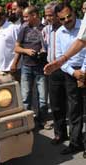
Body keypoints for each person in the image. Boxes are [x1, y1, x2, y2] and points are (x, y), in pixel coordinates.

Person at [53, 2, 86, 156]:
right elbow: (60, 57)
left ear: (74, 13)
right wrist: (74, 73)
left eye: (69, 16)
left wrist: (83, 71)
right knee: (74, 110)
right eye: (62, 19)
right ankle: (75, 143)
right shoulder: (59, 33)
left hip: (84, 69)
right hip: (70, 73)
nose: (67, 20)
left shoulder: (84, 26)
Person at [14, 5, 49, 129]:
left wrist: (44, 52)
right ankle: (27, 122)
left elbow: (49, 46)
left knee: (43, 98)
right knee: (25, 97)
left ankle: (42, 120)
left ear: (34, 15)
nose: (24, 19)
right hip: (27, 67)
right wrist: (26, 51)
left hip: (41, 67)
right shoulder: (23, 28)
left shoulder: (45, 29)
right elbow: (16, 48)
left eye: (26, 16)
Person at [43, 1, 69, 145]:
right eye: (46, 16)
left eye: (51, 15)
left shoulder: (67, 28)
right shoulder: (46, 30)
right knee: (56, 104)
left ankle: (76, 135)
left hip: (67, 68)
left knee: (71, 104)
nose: (48, 18)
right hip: (53, 70)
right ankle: (60, 134)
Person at [0, 6, 20, 79]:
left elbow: (19, 47)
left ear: (5, 15)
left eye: (1, 14)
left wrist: (14, 64)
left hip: (12, 69)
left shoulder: (13, 28)